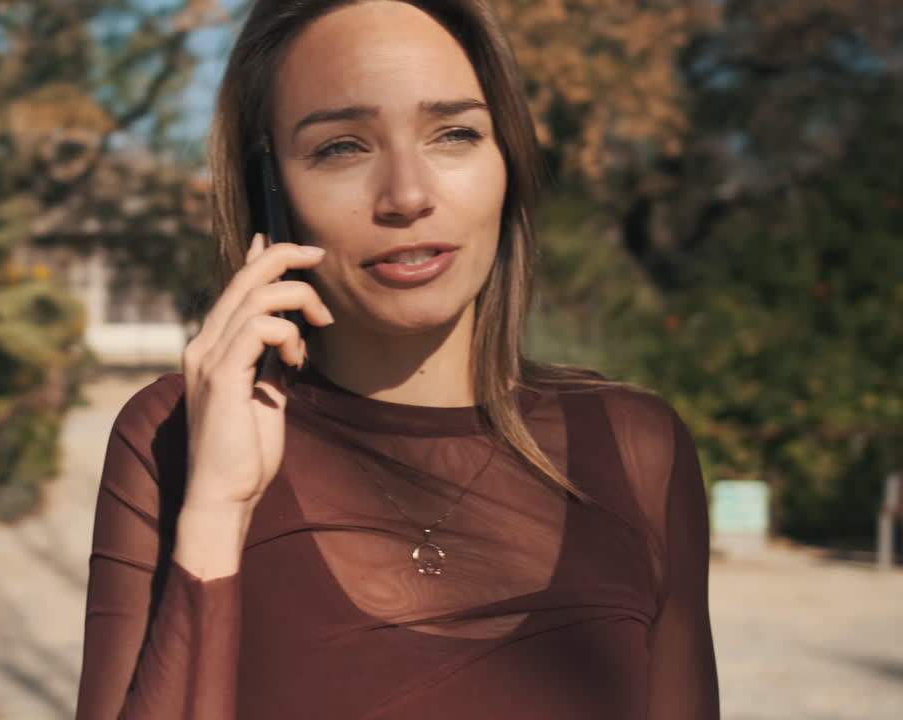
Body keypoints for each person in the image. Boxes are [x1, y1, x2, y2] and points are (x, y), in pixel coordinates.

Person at [74, 0, 720, 718]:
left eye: (454, 133)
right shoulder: (172, 436)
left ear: (508, 160)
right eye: (341, 148)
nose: (407, 196)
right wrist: (218, 514)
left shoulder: (637, 448)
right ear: (271, 188)